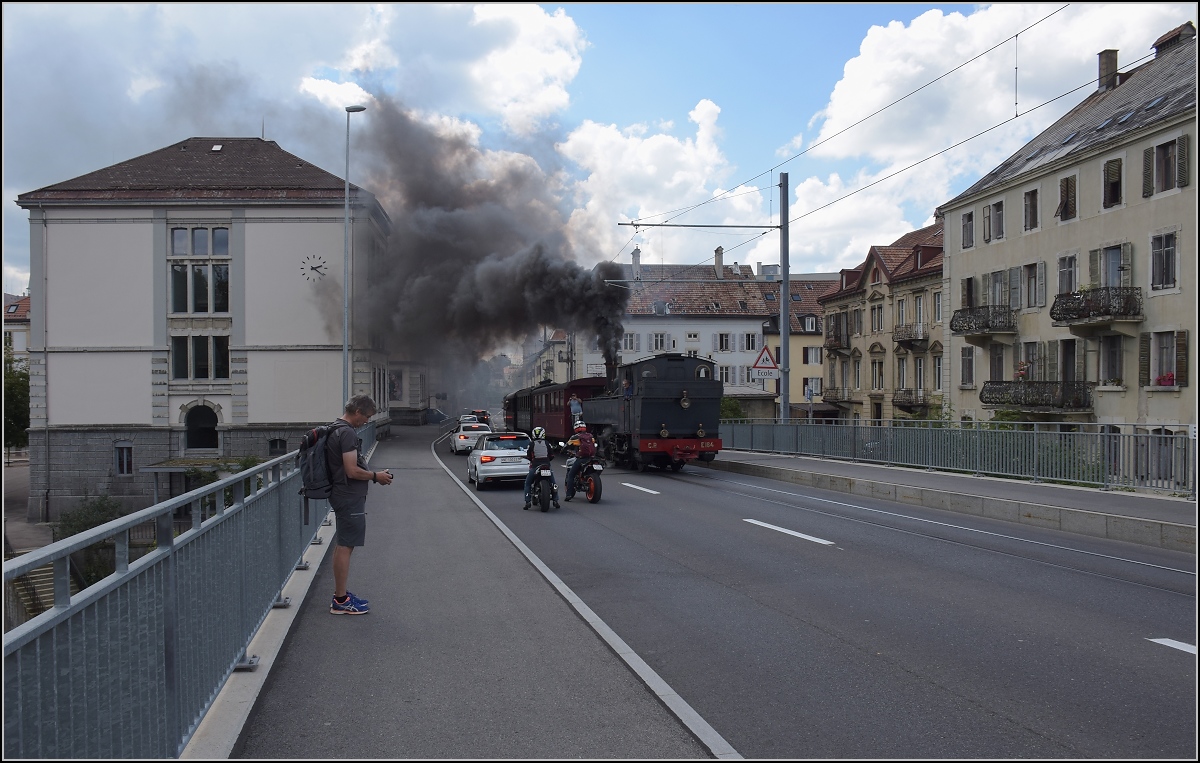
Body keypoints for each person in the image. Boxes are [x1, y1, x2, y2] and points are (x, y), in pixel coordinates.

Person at [328, 394, 393, 615]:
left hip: (342, 494)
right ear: (357, 412)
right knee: (346, 545)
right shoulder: (346, 433)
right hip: (348, 496)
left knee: (344, 543)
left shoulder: (335, 427)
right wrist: (376, 476)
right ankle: (340, 600)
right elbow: (351, 470)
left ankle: (341, 594)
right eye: (366, 417)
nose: (366, 422)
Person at [523, 426, 559, 510]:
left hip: (535, 466)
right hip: (546, 466)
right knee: (553, 483)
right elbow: (552, 455)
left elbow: (528, 456)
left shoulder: (531, 444)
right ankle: (555, 501)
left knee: (527, 483)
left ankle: (527, 502)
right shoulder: (547, 443)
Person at [563, 421, 597, 502]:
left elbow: (567, 446)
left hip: (582, 458)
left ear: (576, 428)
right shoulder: (590, 436)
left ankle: (569, 494)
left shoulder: (575, 437)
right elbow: (594, 445)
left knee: (571, 475)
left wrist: (563, 450)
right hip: (591, 458)